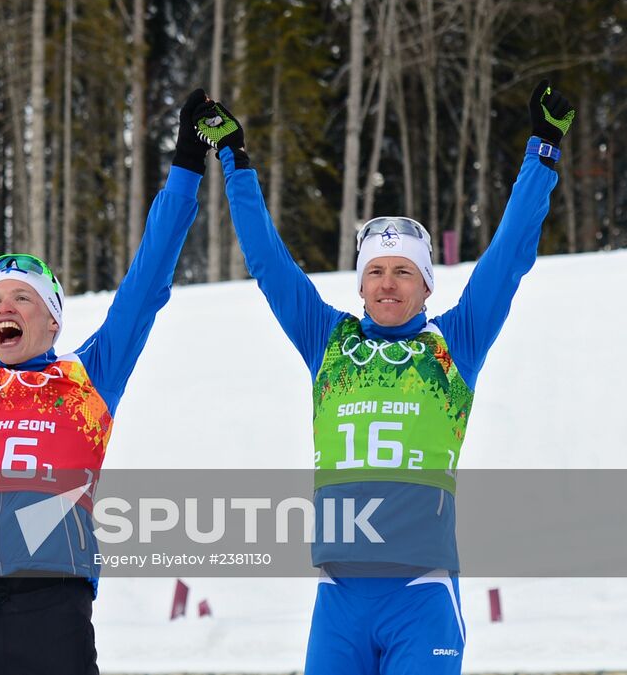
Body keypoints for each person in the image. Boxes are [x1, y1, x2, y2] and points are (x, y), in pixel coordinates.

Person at [194, 79, 576, 674]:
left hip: (419, 597)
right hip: (339, 600)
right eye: (375, 271)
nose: (388, 283)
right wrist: (235, 161)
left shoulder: (453, 343)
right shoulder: (330, 343)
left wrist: (543, 151)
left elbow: (508, 256)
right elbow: (269, 264)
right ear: (361, 283)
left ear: (427, 283)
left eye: (403, 271)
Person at [0, 90, 208, 675]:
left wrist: (188, 162)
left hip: (56, 604)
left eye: (20, 297)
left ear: (53, 318)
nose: (1, 307)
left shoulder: (87, 379)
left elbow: (146, 284)